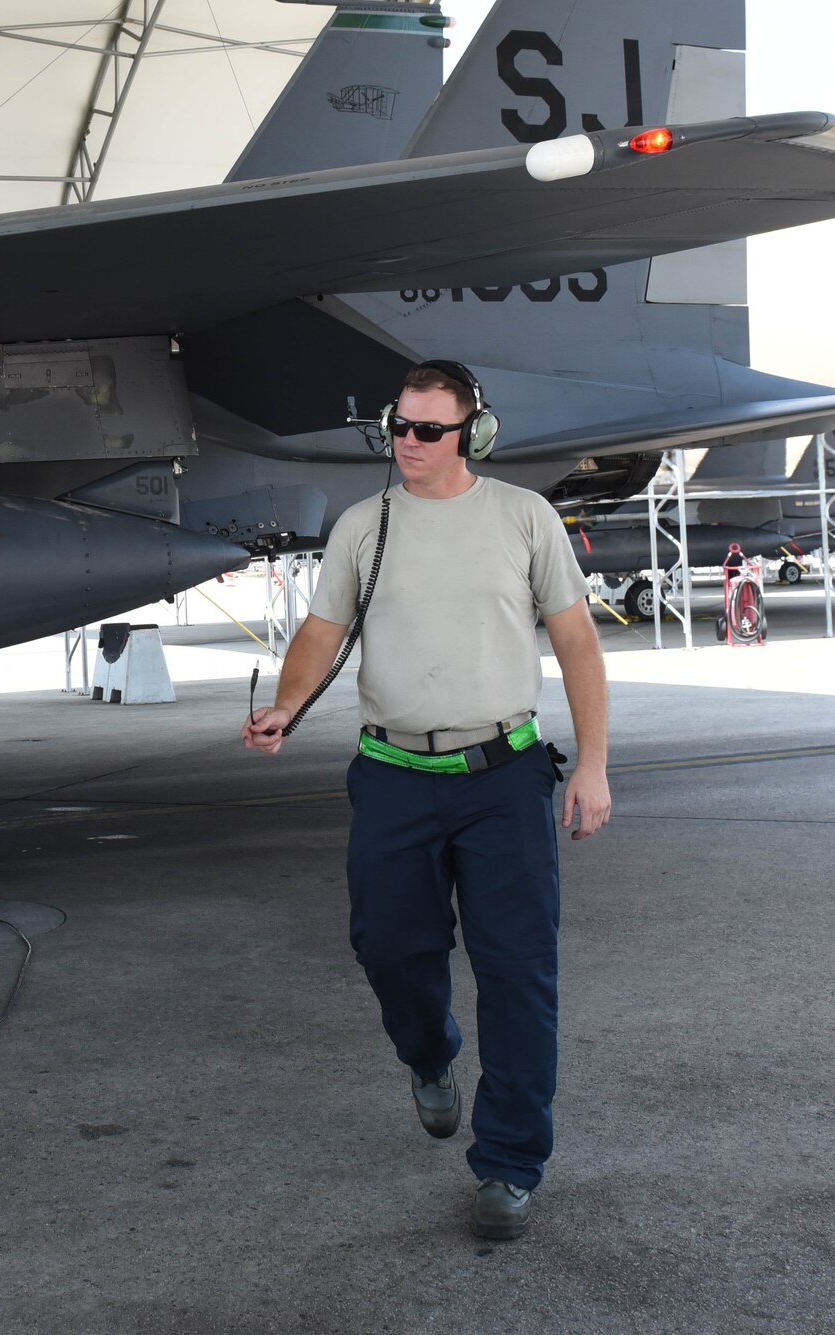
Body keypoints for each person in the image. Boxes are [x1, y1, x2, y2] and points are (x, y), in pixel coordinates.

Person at [241, 359, 611, 1241]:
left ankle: (510, 1165)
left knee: (519, 973)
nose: (408, 443)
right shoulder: (364, 527)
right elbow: (324, 630)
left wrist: (592, 763)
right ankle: (429, 1052)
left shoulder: (524, 518)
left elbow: (577, 644)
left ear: (472, 433)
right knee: (389, 946)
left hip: (504, 775)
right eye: (398, 427)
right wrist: (286, 705)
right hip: (392, 775)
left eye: (428, 430)